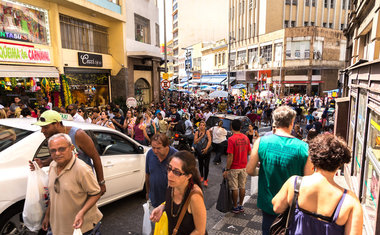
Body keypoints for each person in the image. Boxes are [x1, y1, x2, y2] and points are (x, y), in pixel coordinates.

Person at [272, 134, 363, 235]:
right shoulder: (350, 202)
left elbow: (277, 207)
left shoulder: (294, 183)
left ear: (313, 159)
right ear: (339, 165)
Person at [246, 105, 313, 235]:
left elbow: (249, 170)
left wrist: (262, 171)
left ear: (274, 122)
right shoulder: (304, 148)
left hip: (268, 204)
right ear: (292, 122)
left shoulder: (261, 142)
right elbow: (308, 181)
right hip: (292, 208)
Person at [31, 110, 106, 194]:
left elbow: (95, 157)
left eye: (46, 127)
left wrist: (101, 183)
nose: (42, 131)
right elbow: (58, 156)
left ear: (57, 124)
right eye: (41, 127)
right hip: (65, 186)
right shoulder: (54, 138)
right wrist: (43, 163)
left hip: (83, 185)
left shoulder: (78, 135)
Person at [41, 134, 102, 235]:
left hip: (81, 228)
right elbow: (54, 194)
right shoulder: (53, 165)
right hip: (58, 226)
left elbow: (96, 193)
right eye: (53, 150)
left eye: (61, 149)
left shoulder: (82, 169)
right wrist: (47, 216)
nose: (57, 153)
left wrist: (81, 213)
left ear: (71, 148)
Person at [150, 151, 207, 235]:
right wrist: (162, 207)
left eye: (176, 172)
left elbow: (200, 231)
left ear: (188, 176)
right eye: (169, 168)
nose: (169, 175)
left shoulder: (194, 196)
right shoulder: (172, 184)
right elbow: (174, 205)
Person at [223, 119, 251, 213]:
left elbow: (230, 156)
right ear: (240, 127)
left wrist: (227, 169)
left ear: (231, 127)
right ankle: (240, 205)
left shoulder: (231, 139)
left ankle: (235, 206)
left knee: (234, 188)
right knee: (242, 186)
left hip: (234, 167)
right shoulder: (245, 138)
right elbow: (249, 152)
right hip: (243, 166)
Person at [145, 134, 178, 208]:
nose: (155, 151)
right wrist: (148, 193)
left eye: (158, 148)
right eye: (153, 147)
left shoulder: (176, 156)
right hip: (153, 201)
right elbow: (147, 175)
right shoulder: (150, 154)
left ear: (167, 146)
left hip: (170, 204)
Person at [193, 120, 212, 187]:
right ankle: (201, 176)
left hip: (207, 151)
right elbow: (195, 142)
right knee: (200, 165)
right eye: (201, 125)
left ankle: (206, 179)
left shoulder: (207, 132)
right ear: (199, 126)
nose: (202, 126)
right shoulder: (197, 132)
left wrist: (206, 149)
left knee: (206, 166)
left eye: (203, 125)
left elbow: (209, 141)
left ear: (205, 126)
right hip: (199, 151)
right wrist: (201, 137)